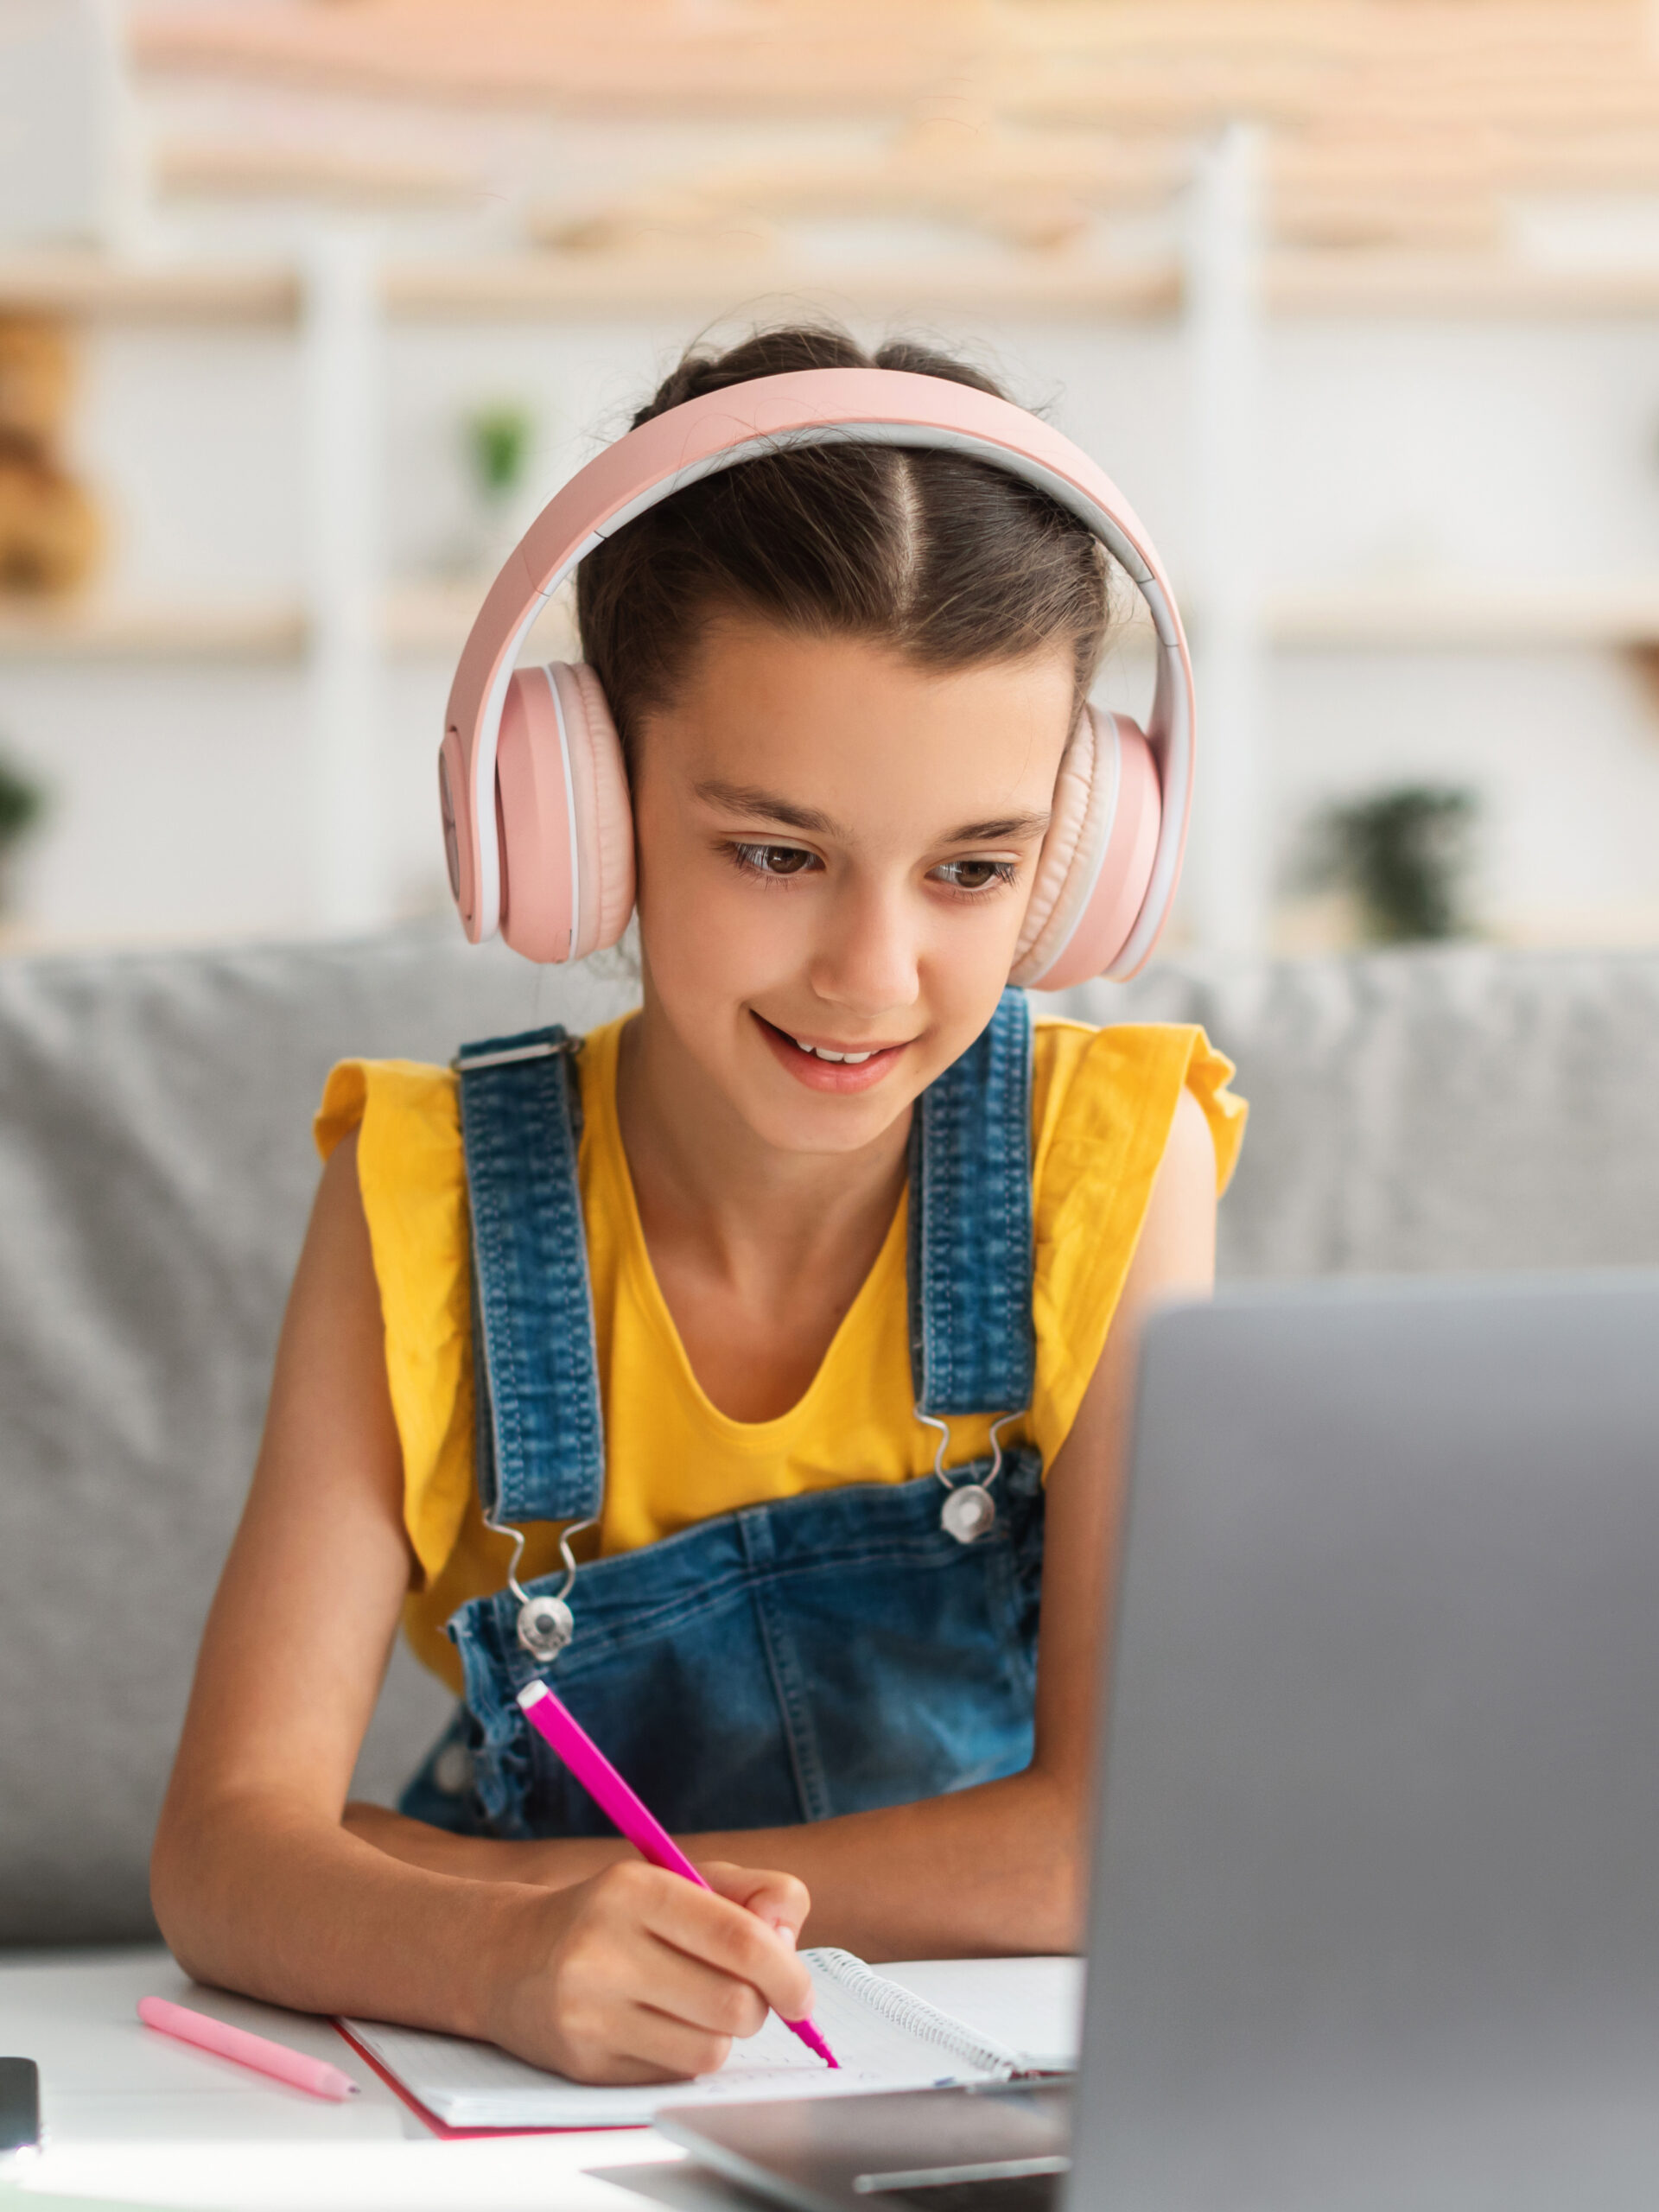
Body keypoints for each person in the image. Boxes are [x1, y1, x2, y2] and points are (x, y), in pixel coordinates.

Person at [151, 327, 1245, 2089]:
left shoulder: (1111, 1158)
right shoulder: (420, 1194)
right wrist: (498, 1953)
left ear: (1081, 849)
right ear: (581, 809)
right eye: (774, 851)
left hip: (959, 2086)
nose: (873, 971)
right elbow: (221, 1851)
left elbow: (1103, 1842)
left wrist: (487, 1879)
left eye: (973, 867)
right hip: (546, 2096)